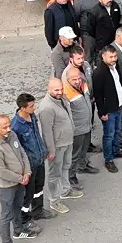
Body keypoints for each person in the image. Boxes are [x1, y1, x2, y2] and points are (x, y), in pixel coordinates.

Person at [0, 115, 35, 243]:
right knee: (6, 215)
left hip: (20, 182)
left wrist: (27, 171)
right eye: (5, 127)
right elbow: (1, 171)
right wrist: (21, 178)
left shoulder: (12, 134)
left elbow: (22, 153)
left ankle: (18, 230)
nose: (9, 129)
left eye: (9, 125)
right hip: (6, 187)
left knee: (17, 207)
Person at [36, 78, 76, 211]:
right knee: (55, 174)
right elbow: (46, 132)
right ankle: (54, 200)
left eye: (61, 88)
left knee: (65, 167)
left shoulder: (61, 99)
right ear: (48, 89)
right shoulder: (46, 108)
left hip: (67, 141)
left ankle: (65, 190)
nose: (60, 92)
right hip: (57, 146)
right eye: (56, 90)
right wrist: (51, 151)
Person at [11, 93, 49, 226]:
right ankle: (24, 220)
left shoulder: (32, 116)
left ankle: (38, 211)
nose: (34, 108)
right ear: (22, 108)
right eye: (31, 106)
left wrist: (43, 151)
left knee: (39, 187)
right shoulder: (16, 126)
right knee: (28, 193)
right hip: (29, 165)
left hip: (39, 159)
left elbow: (36, 135)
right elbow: (17, 150)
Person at [94, 45, 122, 174]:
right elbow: (98, 95)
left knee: (117, 131)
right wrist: (102, 112)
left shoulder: (115, 66)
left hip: (118, 105)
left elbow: (119, 84)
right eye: (111, 57)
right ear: (103, 56)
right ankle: (108, 159)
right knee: (109, 135)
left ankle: (116, 150)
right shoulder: (99, 72)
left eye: (115, 56)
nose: (114, 59)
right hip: (108, 110)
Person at [63, 58, 95, 182]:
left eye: (78, 78)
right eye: (74, 79)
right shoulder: (65, 94)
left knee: (84, 150)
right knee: (75, 154)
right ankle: (71, 177)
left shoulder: (83, 84)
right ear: (67, 79)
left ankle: (82, 166)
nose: (77, 81)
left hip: (87, 125)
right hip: (77, 130)